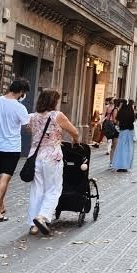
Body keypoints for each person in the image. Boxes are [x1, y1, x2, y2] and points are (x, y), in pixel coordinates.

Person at [25, 89, 81, 236]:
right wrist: (76, 141)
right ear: (53, 102)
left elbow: (30, 131)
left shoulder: (32, 117)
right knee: (54, 188)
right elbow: (74, 132)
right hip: (52, 157)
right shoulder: (58, 116)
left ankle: (33, 225)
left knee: (37, 189)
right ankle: (42, 217)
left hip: (35, 157)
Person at [0, 78, 31, 223]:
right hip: (11, 147)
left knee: (0, 177)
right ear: (22, 92)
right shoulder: (19, 108)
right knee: (5, 178)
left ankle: (0, 206)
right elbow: (27, 127)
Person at [112, 99, 136, 171]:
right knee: (128, 149)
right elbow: (133, 120)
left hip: (123, 132)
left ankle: (120, 165)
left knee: (121, 149)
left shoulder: (121, 112)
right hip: (130, 132)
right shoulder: (131, 111)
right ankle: (126, 165)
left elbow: (117, 121)